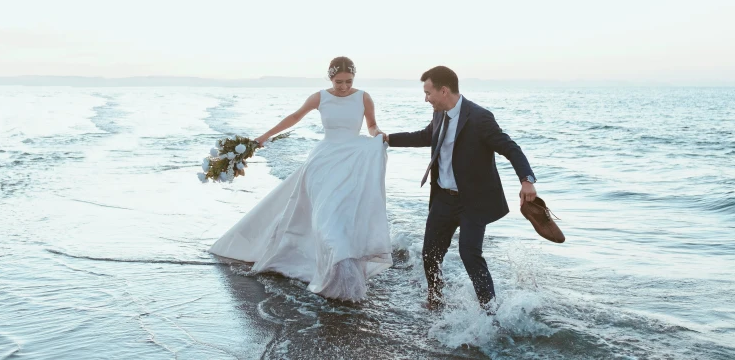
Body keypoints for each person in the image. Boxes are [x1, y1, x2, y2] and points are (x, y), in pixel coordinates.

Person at [209, 57, 391, 302]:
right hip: (323, 162)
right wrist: (263, 137)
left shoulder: (363, 97)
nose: (344, 87)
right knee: (324, 217)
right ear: (330, 78)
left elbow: (371, 125)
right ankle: (329, 270)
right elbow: (295, 117)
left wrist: (377, 134)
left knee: (342, 217)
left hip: (351, 161)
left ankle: (343, 275)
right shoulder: (320, 97)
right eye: (339, 82)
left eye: (349, 81)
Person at [385, 66, 538, 310]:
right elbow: (425, 137)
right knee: (430, 254)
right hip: (443, 199)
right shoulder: (439, 113)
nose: (426, 99)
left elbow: (510, 148)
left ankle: (489, 311)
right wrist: (388, 139)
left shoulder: (479, 117)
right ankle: (435, 300)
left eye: (428, 93)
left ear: (444, 90)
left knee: (470, 255)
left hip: (472, 201)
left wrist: (527, 180)